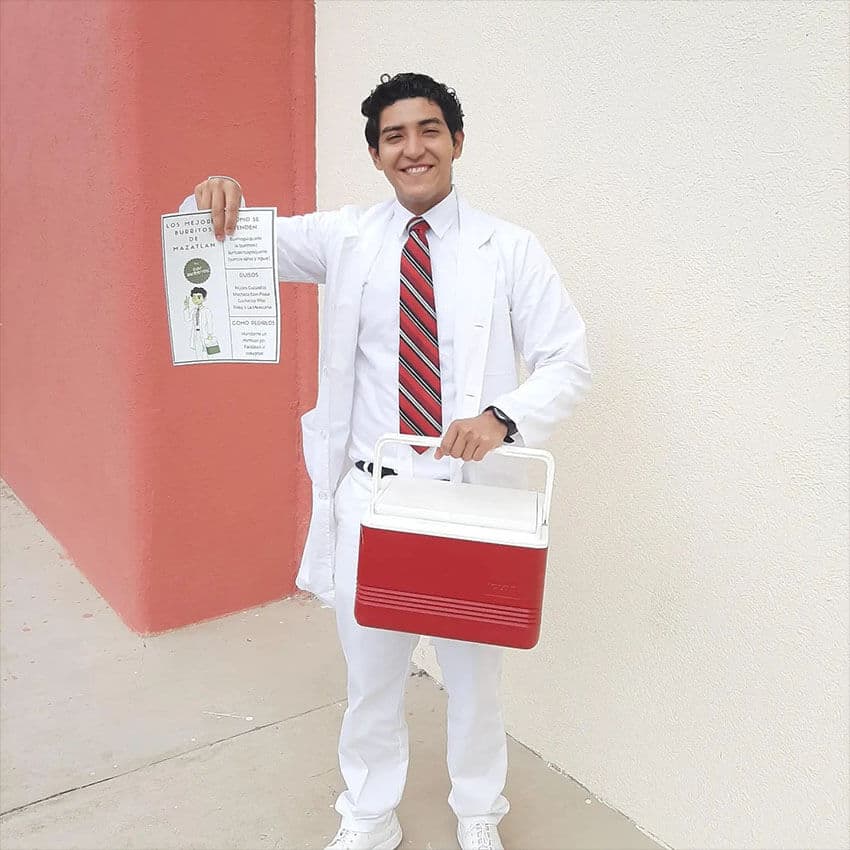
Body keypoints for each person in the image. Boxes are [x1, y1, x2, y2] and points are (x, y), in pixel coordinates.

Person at [182, 73, 590, 850]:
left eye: (430, 130)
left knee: (474, 680)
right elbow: (236, 239)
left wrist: (504, 418)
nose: (414, 148)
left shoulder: (509, 248)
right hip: (375, 497)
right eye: (395, 136)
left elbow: (569, 361)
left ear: (457, 143)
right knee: (371, 678)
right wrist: (217, 193)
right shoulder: (345, 238)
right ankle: (368, 816)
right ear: (376, 155)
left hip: (470, 498)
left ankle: (478, 814)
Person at [182, 286, 217, 359]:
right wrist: (186, 307)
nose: (196, 300)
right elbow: (188, 319)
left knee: (209, 353)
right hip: (196, 334)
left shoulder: (206, 311)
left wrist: (210, 333)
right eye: (194, 298)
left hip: (205, 334)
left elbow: (209, 323)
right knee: (198, 353)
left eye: (198, 297)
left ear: (204, 299)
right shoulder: (194, 310)